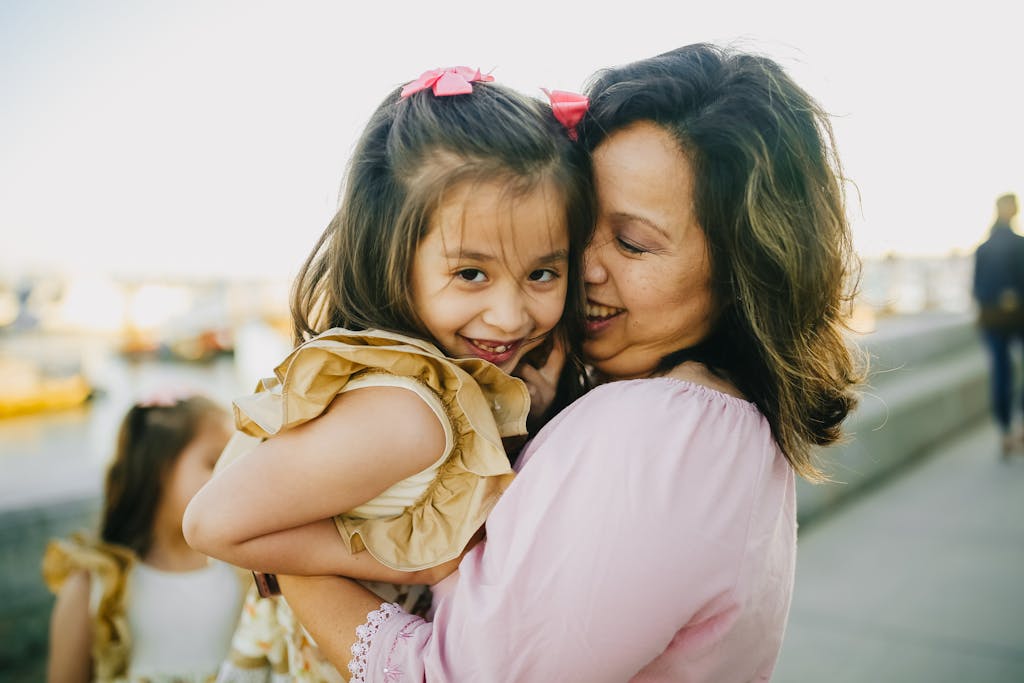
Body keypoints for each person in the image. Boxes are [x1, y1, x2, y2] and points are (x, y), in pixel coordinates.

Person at [275, 43, 863, 682]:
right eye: (577, 230)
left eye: (634, 243)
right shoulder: (704, 418)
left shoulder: (658, 434)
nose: (585, 267)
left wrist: (289, 551)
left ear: (744, 270)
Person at [182, 66, 591, 681]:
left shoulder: (432, 383)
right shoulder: (409, 415)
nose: (510, 316)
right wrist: (408, 565)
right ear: (391, 257)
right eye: (472, 274)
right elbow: (209, 522)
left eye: (542, 274)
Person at [43, 393, 244, 683]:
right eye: (214, 462)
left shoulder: (243, 571)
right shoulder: (95, 585)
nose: (233, 475)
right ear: (157, 470)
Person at [972, 192, 1024, 456]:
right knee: (1005, 373)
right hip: (1017, 318)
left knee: (1001, 373)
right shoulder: (1019, 245)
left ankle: (1005, 429)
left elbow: (977, 290)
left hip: (991, 319)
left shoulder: (983, 248)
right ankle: (1017, 427)